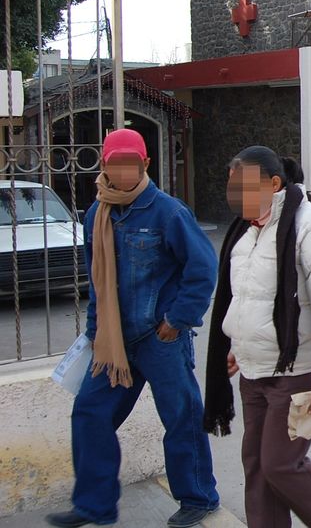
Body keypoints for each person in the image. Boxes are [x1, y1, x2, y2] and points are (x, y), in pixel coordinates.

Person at [46, 129, 220, 528]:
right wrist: (95, 331)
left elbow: (202, 269)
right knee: (90, 413)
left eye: (131, 163)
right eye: (115, 163)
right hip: (114, 343)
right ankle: (94, 506)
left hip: (161, 339)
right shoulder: (97, 214)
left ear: (145, 164)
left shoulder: (168, 212)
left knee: (181, 417)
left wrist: (176, 321)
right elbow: (97, 281)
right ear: (104, 165)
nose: (123, 171)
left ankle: (198, 497)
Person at [204, 147, 311, 528]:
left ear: (274, 183)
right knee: (257, 466)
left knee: (281, 464)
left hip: (296, 370)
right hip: (254, 371)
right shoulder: (244, 232)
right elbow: (245, 298)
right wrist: (239, 343)